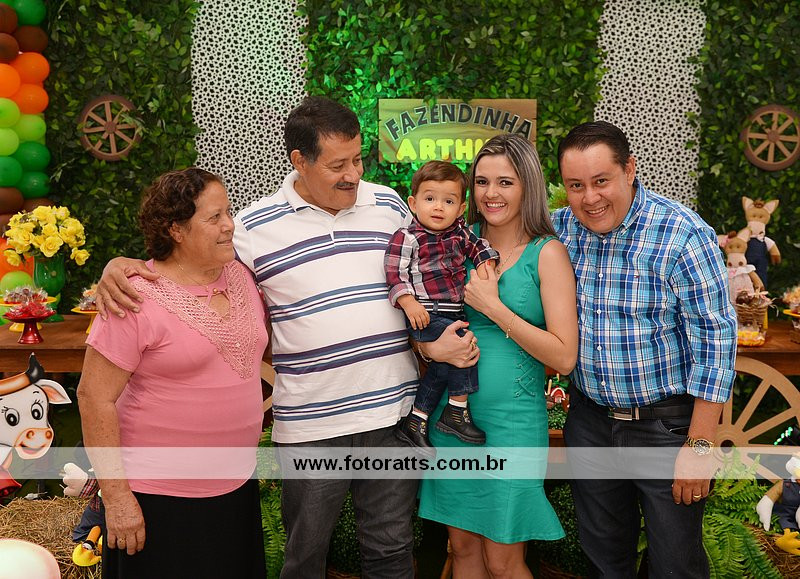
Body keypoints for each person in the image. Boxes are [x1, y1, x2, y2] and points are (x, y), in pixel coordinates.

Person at [93, 96, 479, 578]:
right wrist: (120, 265)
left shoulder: (390, 205)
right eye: (337, 165)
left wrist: (427, 343)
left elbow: (423, 279)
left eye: (358, 159)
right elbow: (187, 268)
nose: (353, 174)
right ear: (300, 160)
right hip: (311, 424)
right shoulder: (252, 228)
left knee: (390, 549)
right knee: (304, 556)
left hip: (392, 414)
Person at [552, 121, 737, 578]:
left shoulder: (682, 233)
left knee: (675, 565)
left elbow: (716, 341)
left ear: (630, 169)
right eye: (576, 185)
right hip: (590, 422)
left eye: (601, 181)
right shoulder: (559, 231)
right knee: (603, 563)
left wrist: (699, 444)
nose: (589, 198)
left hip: (666, 427)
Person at [77, 168, 269, 578]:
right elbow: (93, 397)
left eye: (228, 212)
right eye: (214, 217)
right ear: (176, 229)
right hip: (157, 498)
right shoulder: (132, 296)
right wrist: (117, 498)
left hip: (235, 490)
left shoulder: (241, 275)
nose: (229, 225)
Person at [418, 134, 579, 578]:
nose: (491, 193)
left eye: (505, 182)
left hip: (513, 425)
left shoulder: (547, 253)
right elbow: (420, 318)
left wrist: (494, 308)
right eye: (482, 181)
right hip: (453, 418)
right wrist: (427, 347)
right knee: (462, 549)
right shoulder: (453, 243)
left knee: (504, 561)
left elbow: (565, 356)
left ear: (527, 186)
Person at [385, 160, 498, 453]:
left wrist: (485, 263)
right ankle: (456, 410)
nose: (438, 207)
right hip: (425, 313)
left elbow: (479, 246)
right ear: (413, 203)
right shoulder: (408, 237)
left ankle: (416, 420)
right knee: (463, 348)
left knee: (441, 369)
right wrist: (408, 302)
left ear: (461, 208)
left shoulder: (460, 233)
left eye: (448, 201)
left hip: (453, 311)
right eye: (429, 199)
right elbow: (394, 272)